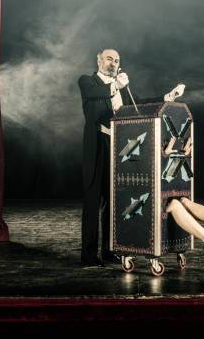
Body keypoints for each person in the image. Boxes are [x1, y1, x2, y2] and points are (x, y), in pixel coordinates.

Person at [78, 48, 184, 267]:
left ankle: (109, 251)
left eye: (116, 60)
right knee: (92, 202)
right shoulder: (88, 81)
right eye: (109, 59)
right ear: (99, 60)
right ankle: (88, 255)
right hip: (98, 145)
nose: (113, 63)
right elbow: (93, 95)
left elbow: (140, 103)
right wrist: (115, 85)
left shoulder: (121, 88)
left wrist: (167, 98)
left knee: (113, 200)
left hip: (118, 147)